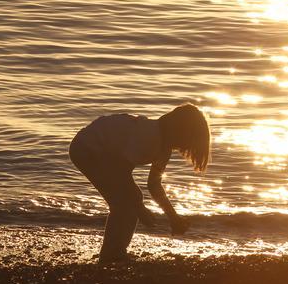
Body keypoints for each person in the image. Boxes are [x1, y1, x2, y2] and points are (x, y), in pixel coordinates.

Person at [68, 103, 210, 263]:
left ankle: (115, 252)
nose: (186, 147)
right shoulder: (150, 136)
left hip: (104, 153)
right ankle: (112, 253)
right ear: (180, 130)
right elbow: (120, 170)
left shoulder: (164, 149)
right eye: (190, 139)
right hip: (88, 148)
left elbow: (154, 185)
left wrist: (172, 217)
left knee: (127, 201)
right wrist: (140, 207)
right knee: (126, 202)